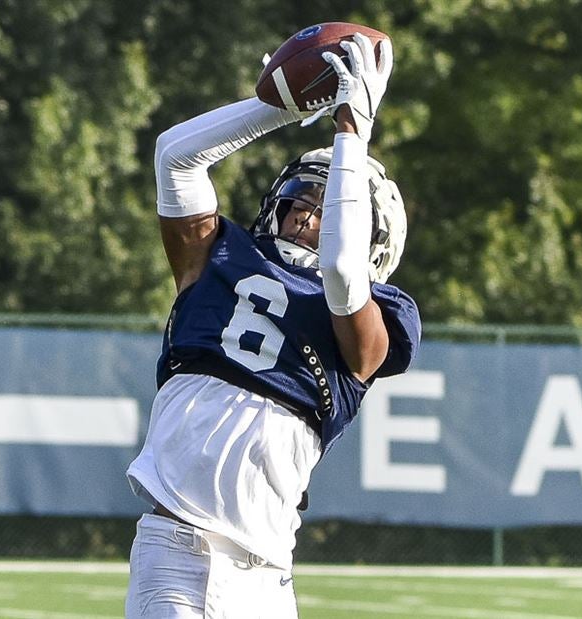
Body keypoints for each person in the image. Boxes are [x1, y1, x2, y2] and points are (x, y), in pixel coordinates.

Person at [124, 33, 419, 618]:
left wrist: (350, 135)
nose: (309, 215)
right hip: (182, 552)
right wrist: (280, 107)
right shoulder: (219, 258)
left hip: (268, 579)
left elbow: (339, 270)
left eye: (326, 205)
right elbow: (174, 156)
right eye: (300, 201)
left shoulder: (378, 314)